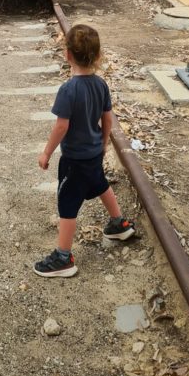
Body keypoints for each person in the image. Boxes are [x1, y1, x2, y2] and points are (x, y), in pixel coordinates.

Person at [34, 23, 136, 278]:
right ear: (98, 56)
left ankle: (63, 257)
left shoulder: (68, 90)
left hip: (74, 159)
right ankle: (118, 224)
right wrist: (102, 144)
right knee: (100, 184)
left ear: (67, 55)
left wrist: (46, 152)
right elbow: (108, 120)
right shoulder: (100, 84)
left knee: (67, 204)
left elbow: (61, 126)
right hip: (93, 153)